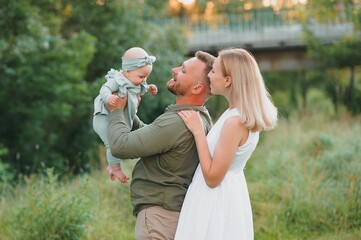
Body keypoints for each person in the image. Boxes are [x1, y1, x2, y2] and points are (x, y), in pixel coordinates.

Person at [106, 51, 216, 239]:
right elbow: (153, 138)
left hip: (159, 218)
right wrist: (129, 113)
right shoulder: (199, 116)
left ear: (197, 88)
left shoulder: (176, 122)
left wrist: (116, 111)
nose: (174, 70)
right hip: (170, 213)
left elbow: (120, 146)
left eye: (183, 70)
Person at [175, 48, 278, 240]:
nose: (209, 76)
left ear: (228, 81)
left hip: (216, 201)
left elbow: (213, 178)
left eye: (213, 71)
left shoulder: (235, 122)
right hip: (225, 195)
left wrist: (198, 132)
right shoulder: (234, 114)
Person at [93, 47, 158, 183]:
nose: (143, 80)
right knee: (112, 143)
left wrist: (149, 88)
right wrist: (108, 97)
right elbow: (104, 88)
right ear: (127, 72)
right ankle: (116, 169)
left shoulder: (134, 80)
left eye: (146, 77)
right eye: (142, 77)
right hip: (103, 117)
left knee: (124, 136)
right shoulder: (117, 80)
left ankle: (111, 166)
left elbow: (139, 88)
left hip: (120, 115)